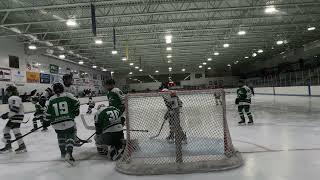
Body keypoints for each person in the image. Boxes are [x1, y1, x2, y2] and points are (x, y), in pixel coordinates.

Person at [44, 82, 80, 164]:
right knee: (70, 135)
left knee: (60, 136)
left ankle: (63, 153)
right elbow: (77, 103)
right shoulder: (68, 95)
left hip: (56, 123)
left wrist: (46, 121)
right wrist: (75, 111)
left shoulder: (51, 99)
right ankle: (69, 153)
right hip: (68, 121)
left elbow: (47, 113)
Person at [0, 85, 27, 153]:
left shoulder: (12, 98)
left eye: (8, 91)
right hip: (19, 116)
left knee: (6, 130)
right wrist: (8, 114)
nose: (7, 93)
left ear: (10, 92)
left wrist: (7, 115)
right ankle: (22, 146)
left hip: (16, 116)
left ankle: (8, 146)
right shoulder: (16, 97)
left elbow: (15, 109)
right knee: (15, 130)